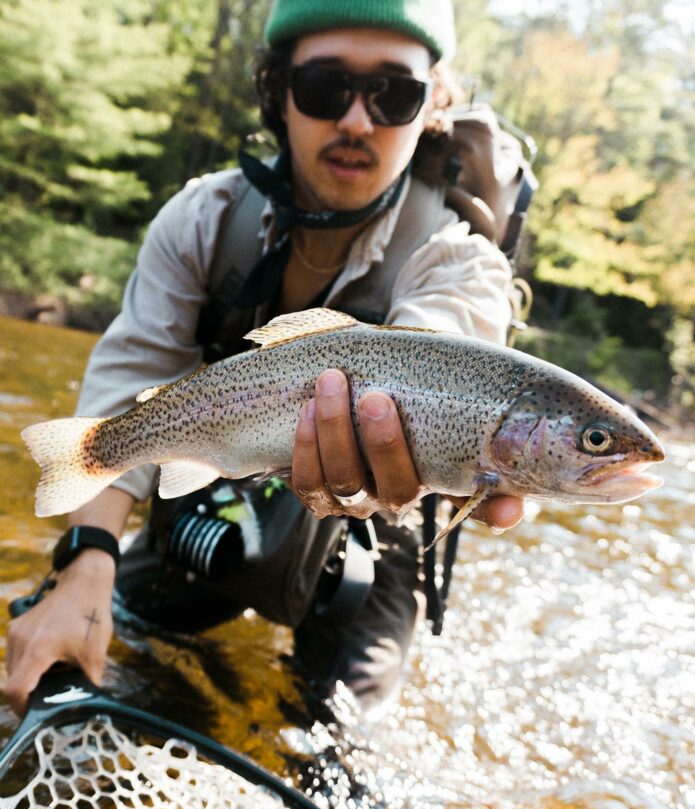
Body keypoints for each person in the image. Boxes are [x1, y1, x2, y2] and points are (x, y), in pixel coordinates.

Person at [5, 0, 524, 717]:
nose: (355, 120)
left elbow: (441, 367)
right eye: (324, 87)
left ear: (433, 105)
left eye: (393, 93)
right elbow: (127, 387)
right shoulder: (203, 220)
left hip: (380, 535)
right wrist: (87, 558)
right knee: (121, 669)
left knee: (334, 754)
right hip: (218, 478)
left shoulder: (462, 267)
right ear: (279, 90)